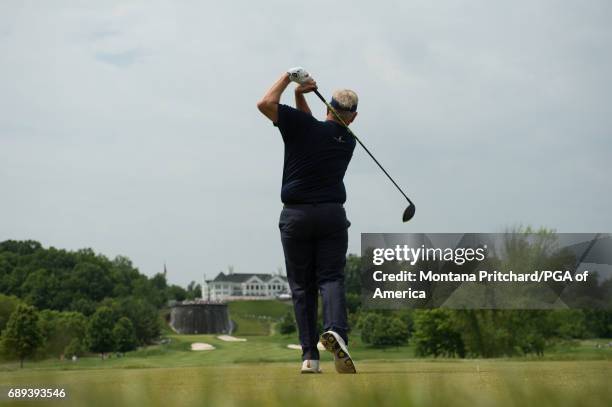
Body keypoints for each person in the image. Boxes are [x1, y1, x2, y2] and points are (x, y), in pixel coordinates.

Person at [257, 67, 358, 374]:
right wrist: (302, 97)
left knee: (302, 287)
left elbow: (265, 103)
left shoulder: (303, 127)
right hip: (331, 216)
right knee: (330, 278)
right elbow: (313, 126)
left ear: (327, 107)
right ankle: (336, 331)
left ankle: (309, 357)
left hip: (296, 216)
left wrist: (288, 78)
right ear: (353, 117)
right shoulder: (348, 139)